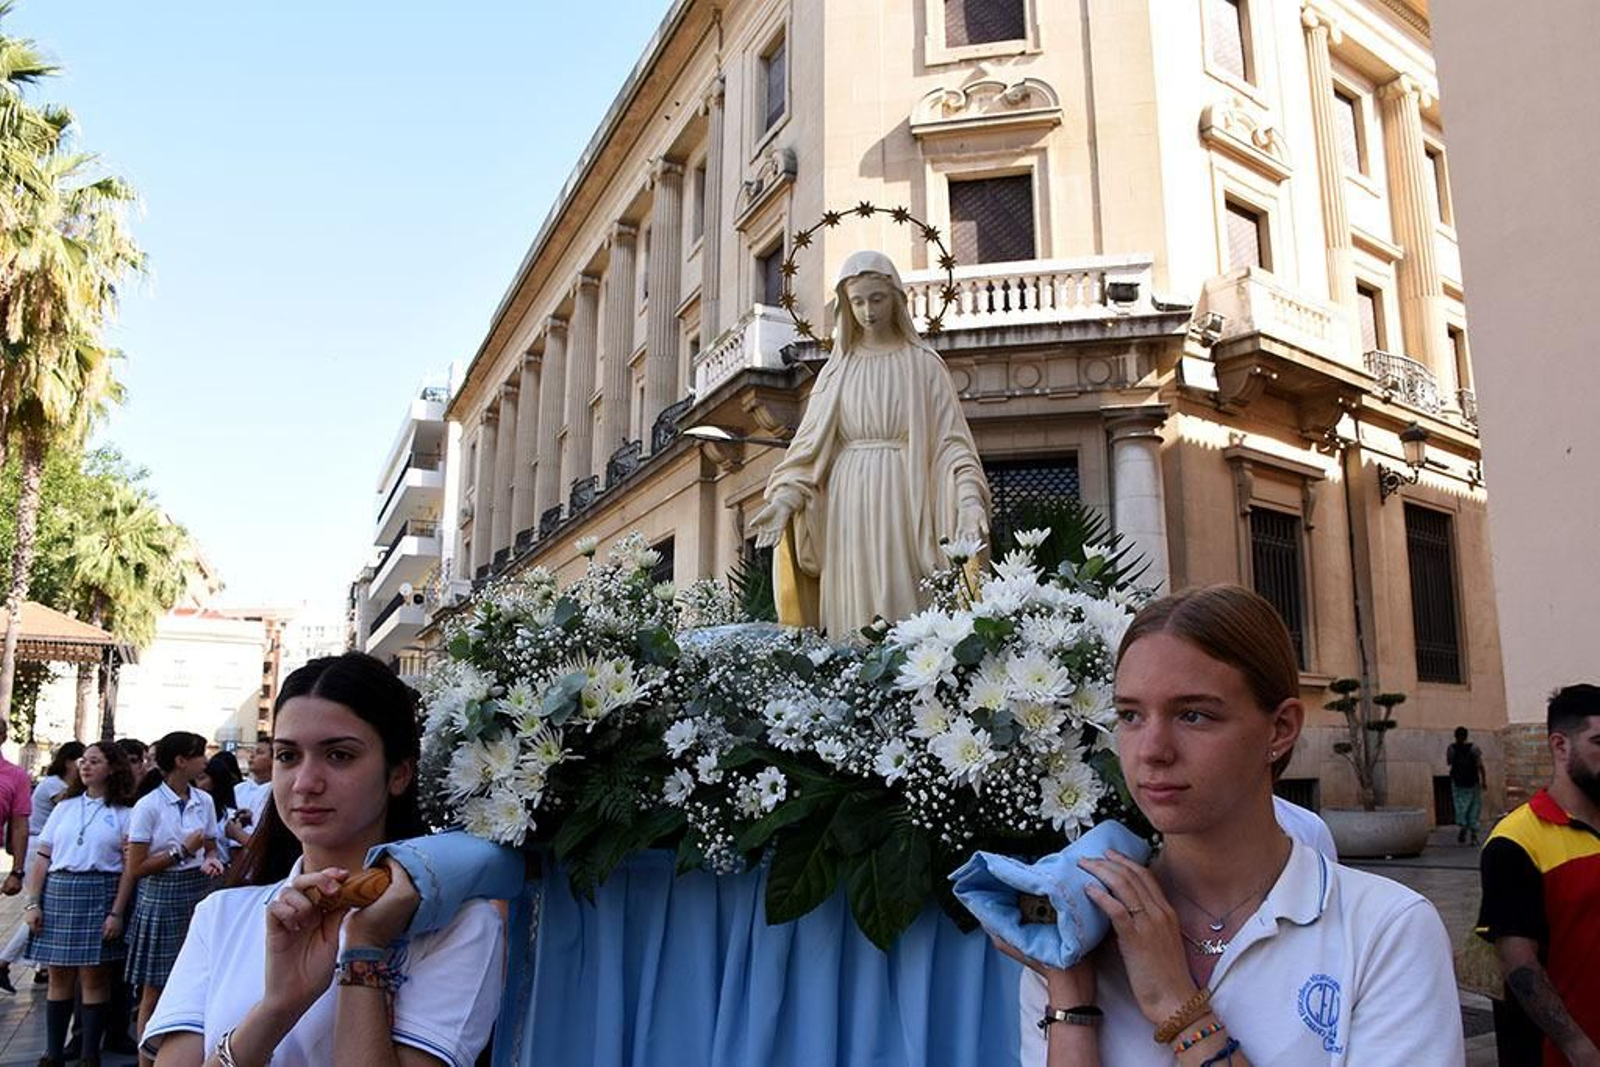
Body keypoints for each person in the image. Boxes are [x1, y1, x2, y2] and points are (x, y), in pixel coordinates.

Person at [1008, 585, 1460, 1064]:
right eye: (1130, 715)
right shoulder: (1083, 926)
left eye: (1194, 715)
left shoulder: (1384, 930)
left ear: (1280, 729)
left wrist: (1178, 1006)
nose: (1152, 750)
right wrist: (1072, 1003)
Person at [143, 652, 505, 1066]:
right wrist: (278, 1007)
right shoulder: (222, 915)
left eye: (339, 756)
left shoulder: (458, 925)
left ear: (399, 773)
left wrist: (364, 953)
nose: (305, 783)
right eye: (287, 756)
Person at [749, 249, 990, 638]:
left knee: (905, 601)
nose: (867, 311)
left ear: (895, 298)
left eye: (876, 299)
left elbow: (952, 446)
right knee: (853, 613)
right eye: (857, 302)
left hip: (905, 496)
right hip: (847, 504)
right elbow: (809, 455)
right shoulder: (836, 372)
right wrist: (783, 502)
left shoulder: (924, 365)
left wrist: (967, 500)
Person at [1477, 683, 1600, 1067]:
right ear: (1560, 746)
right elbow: (1519, 963)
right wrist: (1578, 1046)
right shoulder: (1515, 841)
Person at [23, 742, 138, 1066]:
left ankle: (89, 1054)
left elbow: (129, 869)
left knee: (94, 977)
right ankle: (53, 1053)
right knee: (59, 976)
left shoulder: (125, 813)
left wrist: (117, 911)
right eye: (83, 761)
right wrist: (33, 902)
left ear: (113, 768)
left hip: (100, 891)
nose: (85, 767)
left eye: (95, 761)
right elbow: (43, 858)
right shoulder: (65, 807)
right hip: (59, 892)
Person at [124, 731, 222, 1058]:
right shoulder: (148, 805)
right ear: (181, 760)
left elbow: (210, 845)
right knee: (154, 989)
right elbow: (136, 867)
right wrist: (181, 852)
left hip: (196, 891)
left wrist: (209, 860)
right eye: (199, 754)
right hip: (161, 896)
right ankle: (145, 1060)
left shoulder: (204, 800)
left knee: (195, 982)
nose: (205, 760)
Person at [0, 741, 84, 993]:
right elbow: (72, 808)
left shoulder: (43, 782)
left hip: (44, 849)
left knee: (42, 908)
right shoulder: (55, 786)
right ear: (70, 761)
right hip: (40, 849)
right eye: (82, 760)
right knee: (39, 908)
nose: (84, 766)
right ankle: (5, 962)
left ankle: (41, 966)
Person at [195, 754, 250, 865]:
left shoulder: (230, 816)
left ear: (216, 780)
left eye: (201, 778)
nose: (198, 785)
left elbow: (237, 854)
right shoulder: (193, 809)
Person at [1447, 726, 1487, 845]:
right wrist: (1484, 780)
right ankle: (1473, 835)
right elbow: (1480, 765)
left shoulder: (1451, 749)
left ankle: (1463, 825)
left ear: (1455, 736)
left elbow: (1449, 762)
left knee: (1460, 806)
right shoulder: (1474, 748)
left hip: (1458, 782)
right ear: (1466, 736)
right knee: (1474, 807)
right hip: (1473, 782)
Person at [231, 737, 272, 832]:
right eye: (252, 752)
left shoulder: (276, 792)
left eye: (259, 752)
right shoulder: (238, 789)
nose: (252, 756)